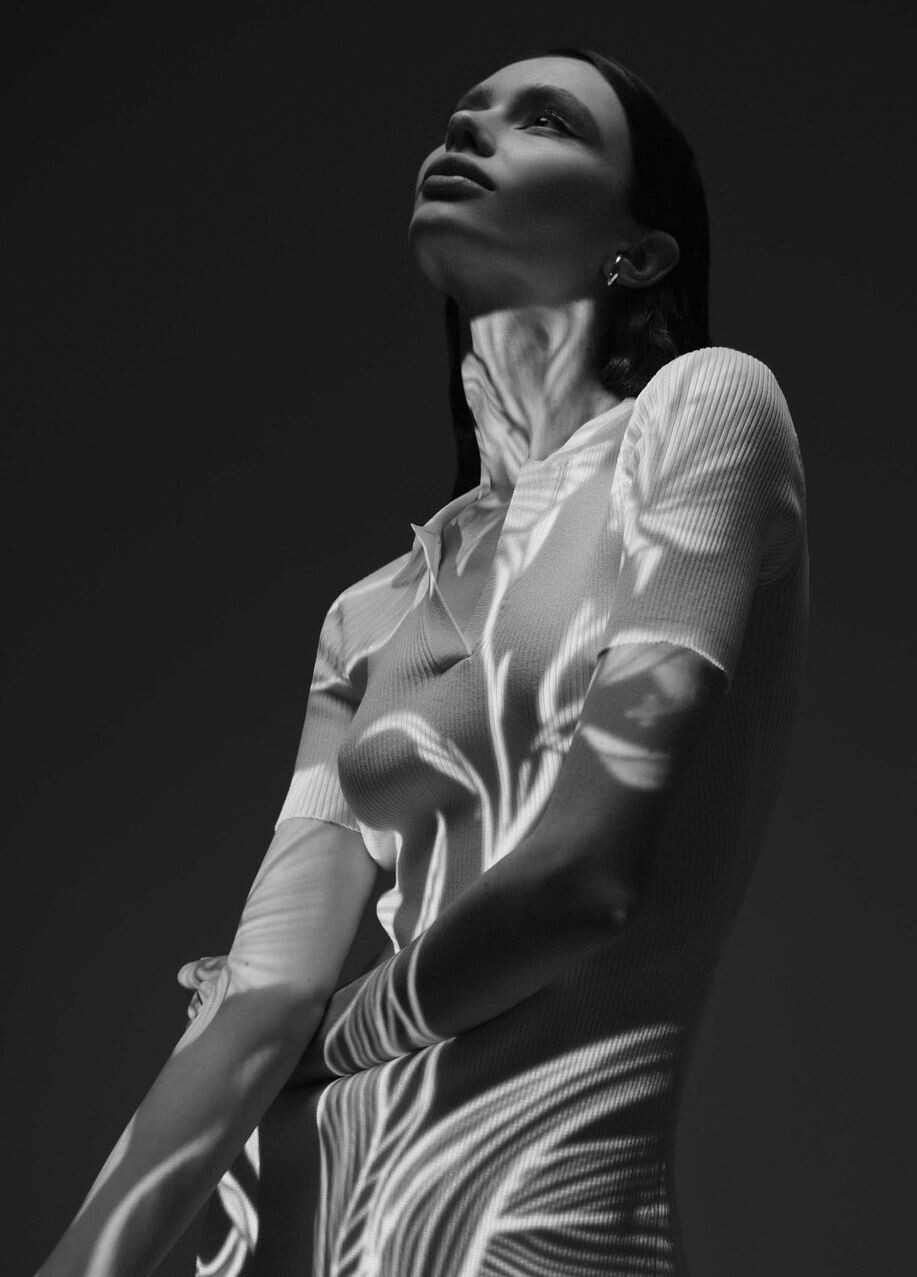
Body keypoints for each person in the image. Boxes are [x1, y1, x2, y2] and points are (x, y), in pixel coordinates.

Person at [36, 45, 808, 1277]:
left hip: (536, 1236)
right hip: (313, 1238)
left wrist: (317, 1040)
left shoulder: (703, 414)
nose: (469, 129)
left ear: (640, 251)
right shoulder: (371, 612)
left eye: (544, 119)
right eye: (464, 113)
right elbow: (257, 1000)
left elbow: (584, 879)